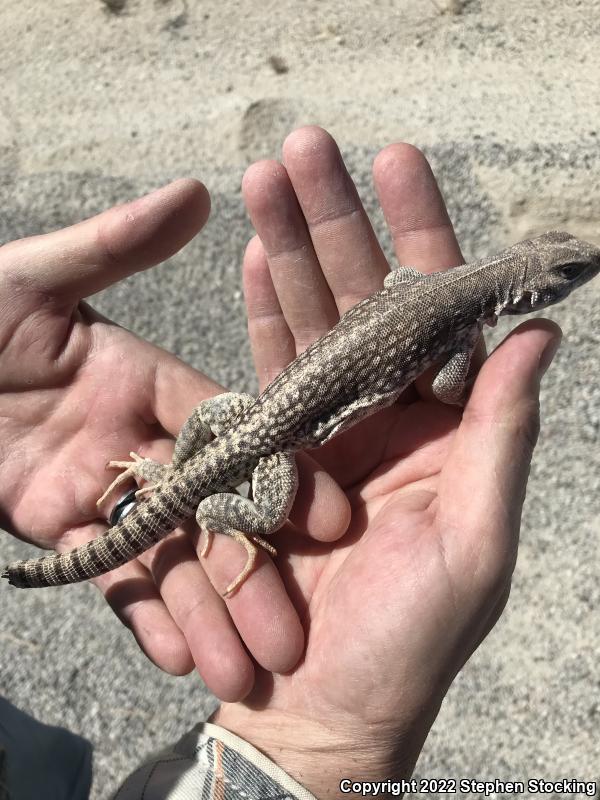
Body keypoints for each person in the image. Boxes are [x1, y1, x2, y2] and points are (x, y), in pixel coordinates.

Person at [0, 127, 560, 798]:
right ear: (526, 295)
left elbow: (402, 279)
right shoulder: (468, 321)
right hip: (272, 443)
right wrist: (465, 371)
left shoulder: (434, 282)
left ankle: (172, 483)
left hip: (248, 416)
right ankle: (203, 504)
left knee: (215, 420)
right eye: (569, 275)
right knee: (270, 508)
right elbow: (443, 388)